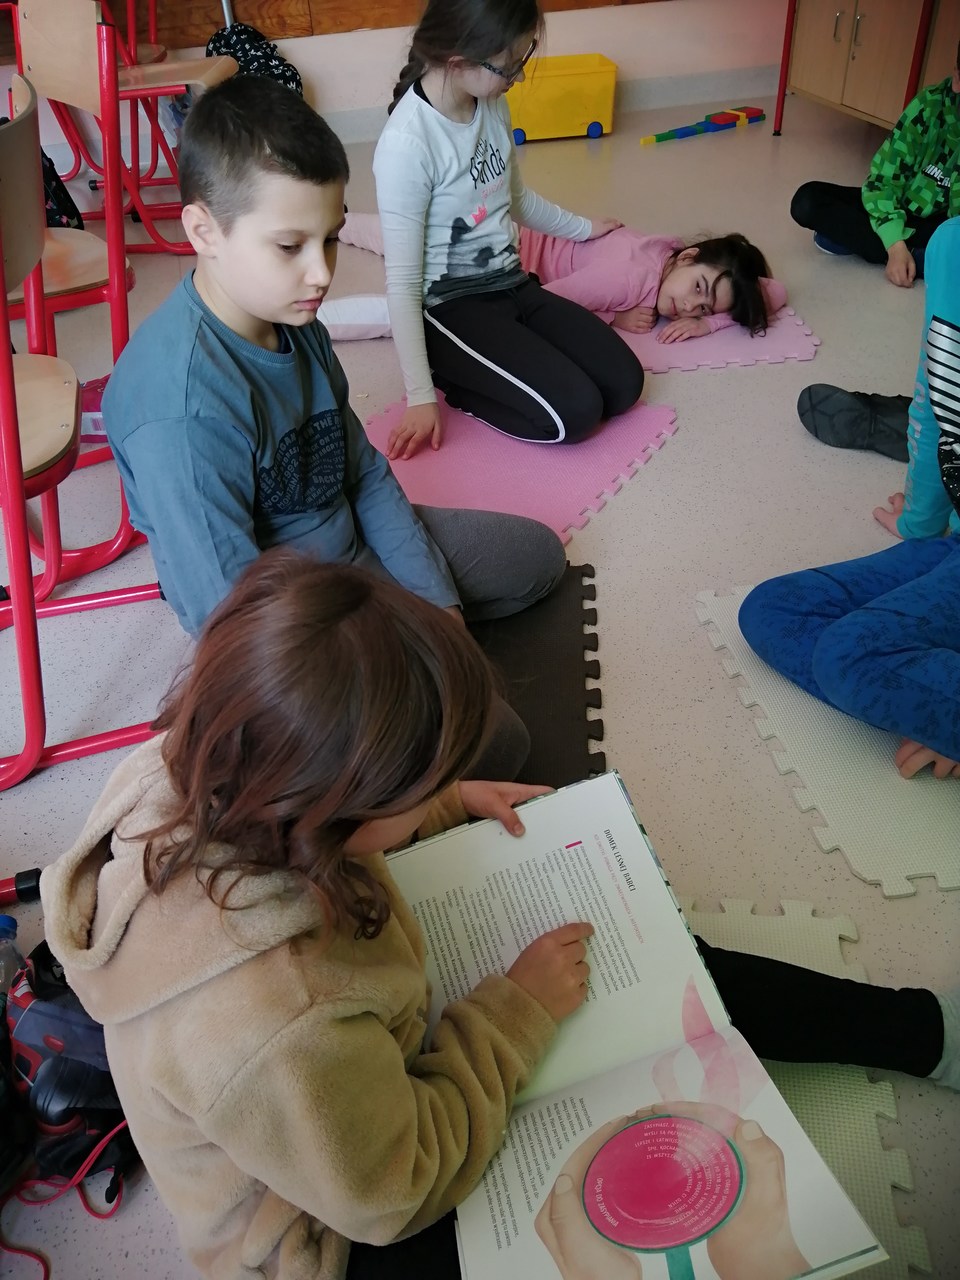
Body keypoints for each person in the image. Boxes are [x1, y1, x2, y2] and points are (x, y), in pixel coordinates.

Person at [40, 551, 959, 1280]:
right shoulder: (275, 1022)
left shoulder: (199, 764)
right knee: (591, 1199)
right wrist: (513, 1015)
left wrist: (446, 803)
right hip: (338, 1234)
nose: (439, 791)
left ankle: (923, 1030)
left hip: (359, 1049)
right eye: (421, 784)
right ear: (335, 808)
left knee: (660, 957)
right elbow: (395, 1194)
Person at [101, 75, 567, 777]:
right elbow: (231, 619)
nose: (321, 275)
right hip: (290, 613)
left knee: (537, 560)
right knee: (501, 745)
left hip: (351, 548)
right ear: (204, 231)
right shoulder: (181, 411)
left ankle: (410, 649)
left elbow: (365, 472)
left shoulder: (291, 315)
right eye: (290, 246)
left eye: (330, 239)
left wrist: (437, 606)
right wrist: (371, 647)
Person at [373, 0, 645, 459]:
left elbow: (514, 199)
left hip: (514, 284)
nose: (517, 77)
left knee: (624, 385)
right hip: (452, 308)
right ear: (458, 61)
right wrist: (420, 396)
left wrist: (583, 228)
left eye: (523, 57)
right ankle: (457, 384)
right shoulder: (407, 144)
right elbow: (401, 282)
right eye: (509, 65)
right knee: (575, 414)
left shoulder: (491, 104)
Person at [740, 220, 960, 780]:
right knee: (771, 609)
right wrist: (920, 522)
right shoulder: (952, 244)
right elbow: (939, 402)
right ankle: (927, 702)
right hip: (955, 543)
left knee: (850, 655)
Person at [334, 211, 787, 343]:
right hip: (494, 256)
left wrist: (710, 323)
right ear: (688, 257)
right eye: (698, 290)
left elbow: (774, 291)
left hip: (500, 231)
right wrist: (613, 317)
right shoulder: (629, 280)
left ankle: (336, 222)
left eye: (702, 308)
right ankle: (314, 322)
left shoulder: (663, 250)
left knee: (398, 236)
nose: (688, 307)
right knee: (418, 314)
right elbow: (542, 304)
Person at [790, 46, 960, 286]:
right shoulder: (928, 106)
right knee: (806, 201)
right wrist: (895, 246)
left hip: (943, 228)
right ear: (957, 79)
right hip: (897, 207)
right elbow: (883, 182)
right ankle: (914, 257)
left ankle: (871, 245)